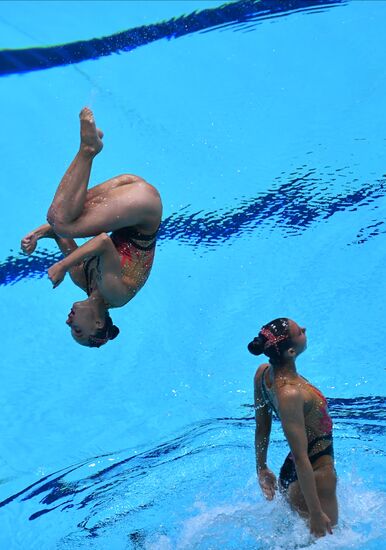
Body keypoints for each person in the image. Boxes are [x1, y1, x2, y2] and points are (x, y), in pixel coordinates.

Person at [21, 108, 162, 348]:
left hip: (129, 192)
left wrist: (37, 235)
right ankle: (89, 148)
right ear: (98, 323)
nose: (68, 320)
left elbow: (55, 231)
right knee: (62, 220)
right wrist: (62, 266)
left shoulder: (81, 278)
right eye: (76, 329)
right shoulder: (115, 294)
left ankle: (90, 146)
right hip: (144, 210)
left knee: (60, 220)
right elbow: (103, 242)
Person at [249, 318, 337, 537]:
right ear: (290, 351)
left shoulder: (263, 374)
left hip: (293, 473)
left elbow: (262, 428)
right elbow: (300, 458)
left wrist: (261, 467)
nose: (305, 329)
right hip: (316, 474)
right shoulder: (290, 393)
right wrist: (316, 513)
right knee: (330, 539)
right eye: (299, 332)